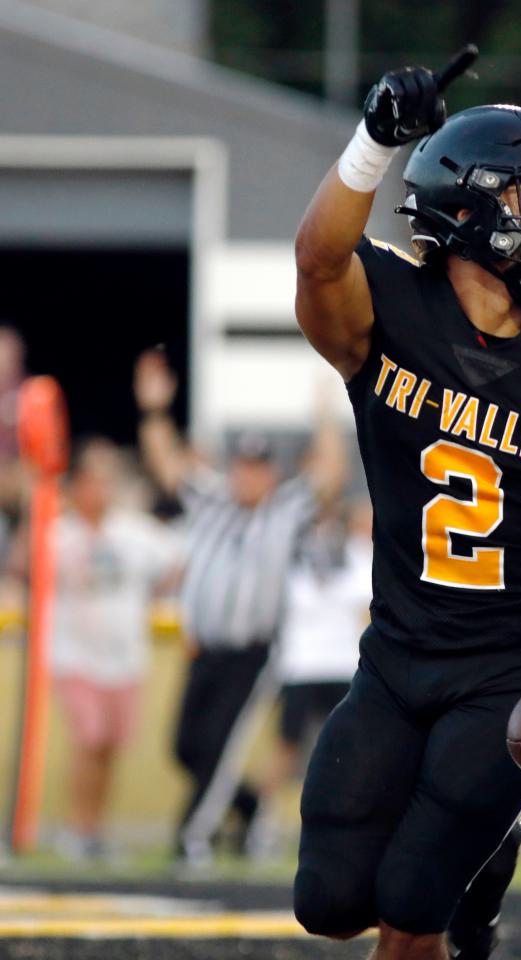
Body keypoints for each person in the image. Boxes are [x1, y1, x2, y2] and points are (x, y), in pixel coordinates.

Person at [291, 49, 521, 960]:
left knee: (412, 911)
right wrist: (373, 143)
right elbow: (317, 255)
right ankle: (488, 857)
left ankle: (466, 890)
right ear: (468, 211)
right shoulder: (388, 312)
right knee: (331, 904)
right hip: (396, 657)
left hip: (510, 669)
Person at [133, 349, 346, 869]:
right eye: (242, 467)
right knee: (186, 746)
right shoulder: (210, 501)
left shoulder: (284, 510)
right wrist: (155, 410)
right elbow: (165, 464)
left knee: (220, 747)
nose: (248, 477)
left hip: (252, 652)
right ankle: (248, 807)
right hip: (203, 648)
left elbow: (330, 476)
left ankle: (192, 840)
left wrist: (324, 415)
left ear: (270, 473)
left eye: (257, 469)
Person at [49, 438, 181, 860]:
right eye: (93, 481)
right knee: (88, 739)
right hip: (75, 654)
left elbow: (178, 560)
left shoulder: (133, 531)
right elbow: (25, 571)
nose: (101, 490)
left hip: (123, 658)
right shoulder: (58, 533)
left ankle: (95, 830)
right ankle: (78, 828)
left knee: (108, 746)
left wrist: (153, 595)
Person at [247, 498, 373, 861]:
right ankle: (263, 827)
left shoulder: (356, 555)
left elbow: (368, 604)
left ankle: (350, 826)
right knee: (288, 749)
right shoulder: (289, 558)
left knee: (353, 751)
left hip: (341, 664)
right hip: (303, 665)